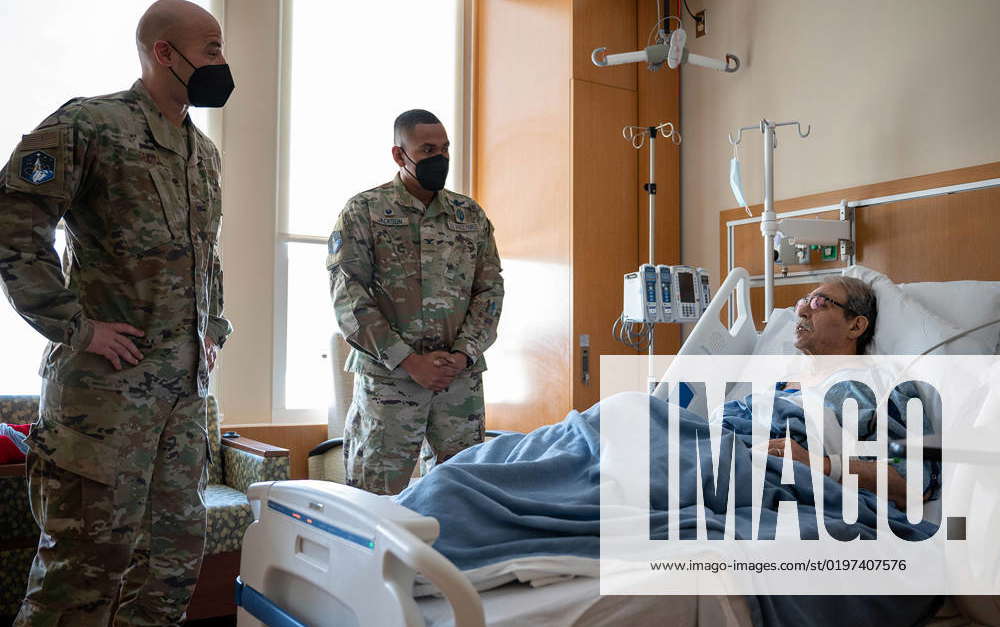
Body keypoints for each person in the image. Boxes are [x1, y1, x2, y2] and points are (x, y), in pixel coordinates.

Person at [0, 1, 234, 623]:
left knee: (169, 570)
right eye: (211, 49)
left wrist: (212, 329)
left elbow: (204, 257)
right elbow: (14, 225)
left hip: (182, 405)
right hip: (104, 401)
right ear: (165, 52)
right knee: (80, 578)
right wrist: (75, 326)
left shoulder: (202, 154)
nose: (221, 61)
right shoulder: (89, 125)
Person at [327, 109, 504, 496]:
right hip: (390, 384)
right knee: (373, 500)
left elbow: (490, 291)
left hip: (458, 383)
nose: (439, 158)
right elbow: (348, 296)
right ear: (399, 154)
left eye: (444, 148)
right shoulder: (364, 212)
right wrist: (408, 360)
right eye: (427, 149)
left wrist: (463, 355)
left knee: (463, 496)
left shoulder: (470, 215)